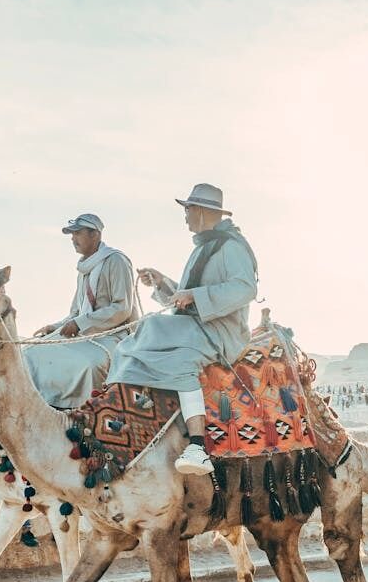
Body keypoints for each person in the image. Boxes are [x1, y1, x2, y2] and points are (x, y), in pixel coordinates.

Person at [110, 183, 258, 475]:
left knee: (177, 356)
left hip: (222, 332)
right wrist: (163, 283)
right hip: (198, 324)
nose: (185, 216)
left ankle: (197, 446)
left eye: (188, 209)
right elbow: (185, 296)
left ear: (204, 212)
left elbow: (245, 288)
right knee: (136, 337)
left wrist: (196, 296)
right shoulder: (204, 247)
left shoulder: (232, 247)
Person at [28, 212, 140, 408]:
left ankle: (85, 415)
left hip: (115, 335)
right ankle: (44, 407)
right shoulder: (84, 270)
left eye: (77, 233)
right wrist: (54, 327)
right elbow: (75, 313)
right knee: (31, 352)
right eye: (72, 235)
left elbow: (122, 308)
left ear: (94, 234)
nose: (73, 239)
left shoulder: (116, 261)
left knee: (89, 364)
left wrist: (80, 323)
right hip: (85, 334)